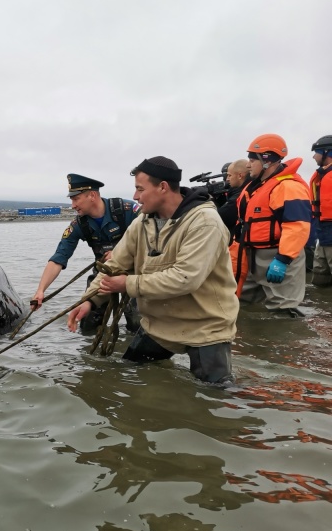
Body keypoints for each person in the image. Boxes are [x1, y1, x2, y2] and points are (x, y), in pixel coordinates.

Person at [67, 157, 238, 384]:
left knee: (215, 395)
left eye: (140, 189)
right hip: (160, 325)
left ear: (163, 187)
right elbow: (113, 266)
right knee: (131, 374)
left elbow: (185, 279)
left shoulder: (206, 222)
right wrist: (89, 300)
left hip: (206, 328)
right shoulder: (142, 223)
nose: (136, 196)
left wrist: (126, 284)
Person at [31, 173, 140, 332]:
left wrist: (120, 252)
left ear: (92, 196)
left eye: (76, 199)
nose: (73, 205)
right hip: (103, 274)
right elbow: (59, 258)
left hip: (134, 273)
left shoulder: (127, 210)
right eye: (71, 200)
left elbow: (155, 239)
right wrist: (40, 290)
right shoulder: (78, 225)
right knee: (87, 322)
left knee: (138, 324)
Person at [238, 134, 312, 316]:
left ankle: (288, 343)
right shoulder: (259, 186)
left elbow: (297, 226)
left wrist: (283, 259)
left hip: (279, 256)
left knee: (283, 311)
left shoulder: (288, 186)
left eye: (252, 160)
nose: (248, 165)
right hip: (253, 254)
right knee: (241, 304)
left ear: (267, 161)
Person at [218, 159, 251, 291]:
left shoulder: (240, 195)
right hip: (242, 246)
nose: (227, 179)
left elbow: (221, 217)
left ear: (240, 175)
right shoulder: (241, 192)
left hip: (242, 247)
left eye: (229, 175)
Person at [309, 135, 332, 286]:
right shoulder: (321, 175)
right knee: (319, 275)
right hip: (322, 230)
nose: (313, 156)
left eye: (316, 152)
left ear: (326, 152)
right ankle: (322, 307)